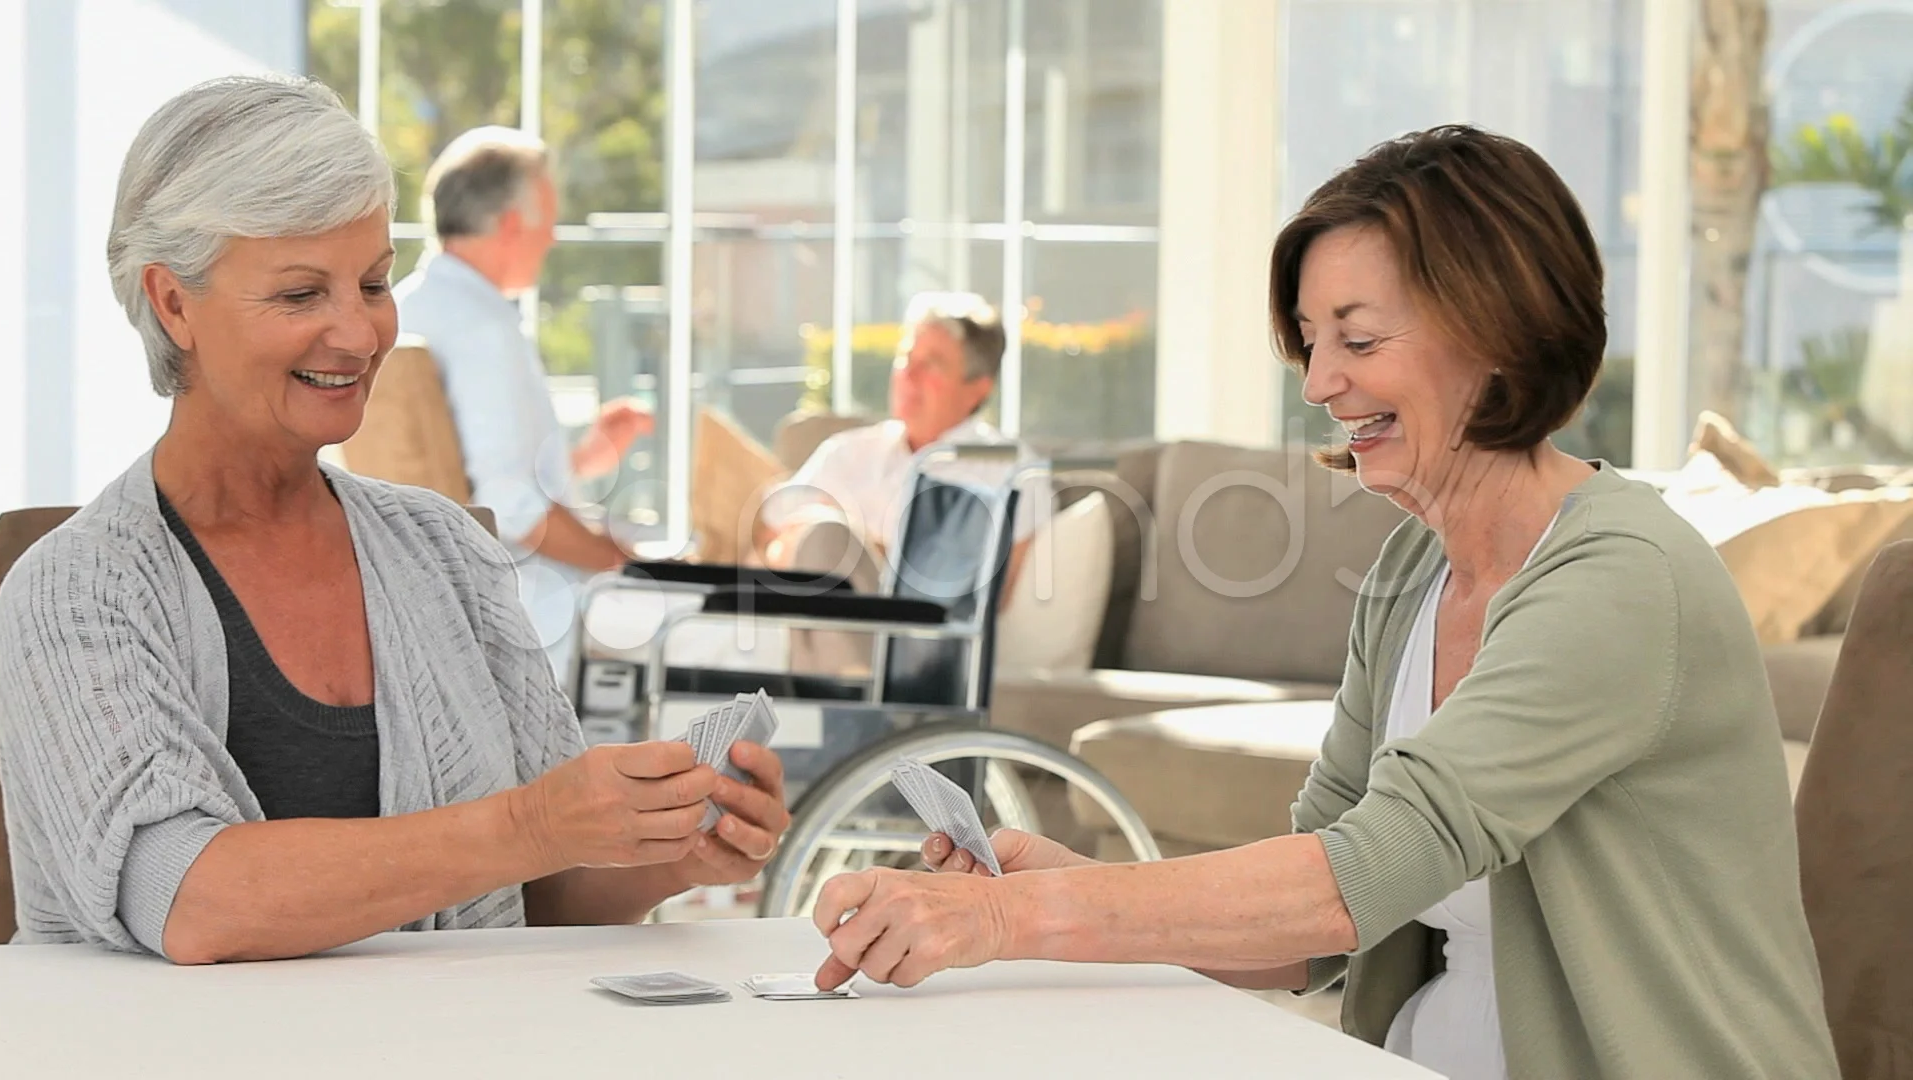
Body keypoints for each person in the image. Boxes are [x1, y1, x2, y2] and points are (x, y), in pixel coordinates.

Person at [805, 126, 1840, 1079]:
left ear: (1498, 333)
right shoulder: (1407, 575)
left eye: (1358, 337)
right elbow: (1305, 932)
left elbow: (1349, 878)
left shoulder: (1620, 580)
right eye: (1310, 340)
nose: (1318, 382)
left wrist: (1013, 918)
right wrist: (1063, 880)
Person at [0, 76, 788, 963]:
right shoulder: (69, 592)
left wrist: (666, 851)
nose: (360, 333)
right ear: (174, 303)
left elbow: (544, 892)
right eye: (300, 295)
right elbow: (195, 903)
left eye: (372, 282)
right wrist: (532, 821)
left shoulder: (447, 550)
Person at [396, 126, 653, 672]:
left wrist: (581, 459)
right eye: (549, 222)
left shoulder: (407, 309)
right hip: (536, 612)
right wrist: (622, 565)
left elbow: (474, 472)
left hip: (438, 602)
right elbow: (512, 506)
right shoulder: (485, 330)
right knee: (734, 623)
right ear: (513, 224)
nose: (554, 239)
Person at [754, 292, 1051, 599]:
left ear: (977, 388)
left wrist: (861, 546)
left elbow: (991, 596)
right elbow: (767, 536)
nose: (909, 375)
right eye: (906, 357)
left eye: (931, 364)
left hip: (904, 632)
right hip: (792, 610)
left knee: (830, 538)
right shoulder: (847, 451)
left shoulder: (1012, 471)